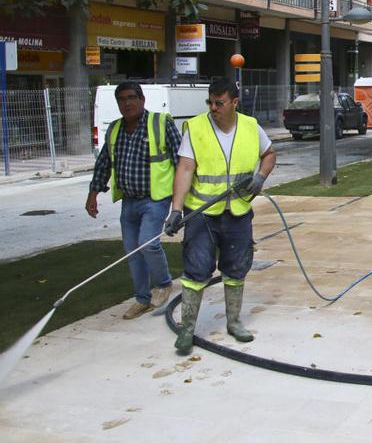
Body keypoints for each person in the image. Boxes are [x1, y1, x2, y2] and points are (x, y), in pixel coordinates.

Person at [163, 78, 276, 355]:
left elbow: (269, 154)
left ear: (234, 102)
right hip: (202, 213)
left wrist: (261, 177)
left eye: (219, 103)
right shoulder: (197, 127)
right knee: (196, 268)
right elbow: (185, 169)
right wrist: (176, 210)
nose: (213, 108)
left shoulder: (251, 127)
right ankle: (187, 329)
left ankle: (234, 321)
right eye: (210, 102)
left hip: (237, 211)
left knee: (236, 267)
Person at [85, 82, 181, 319]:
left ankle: (163, 283)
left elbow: (182, 161)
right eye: (121, 99)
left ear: (142, 99)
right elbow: (104, 163)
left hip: (156, 198)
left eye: (131, 98)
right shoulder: (115, 129)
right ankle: (142, 299)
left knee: (148, 243)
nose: (126, 103)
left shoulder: (160, 123)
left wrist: (181, 202)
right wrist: (93, 193)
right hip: (129, 200)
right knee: (132, 250)